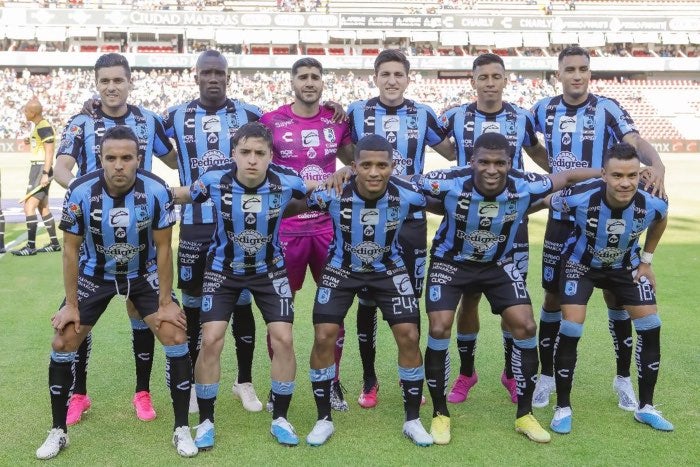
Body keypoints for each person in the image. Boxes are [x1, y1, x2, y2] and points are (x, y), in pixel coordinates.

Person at [417, 132, 600, 444]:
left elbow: (567, 176)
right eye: (484, 162)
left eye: (500, 163)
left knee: (526, 326)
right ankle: (440, 414)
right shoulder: (447, 180)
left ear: (510, 163)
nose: (492, 169)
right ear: (471, 161)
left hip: (498, 264)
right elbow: (403, 180)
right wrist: (350, 171)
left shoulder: (526, 183)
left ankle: (525, 415)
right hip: (452, 262)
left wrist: (606, 174)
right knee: (439, 328)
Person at [35, 126, 196, 460]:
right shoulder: (80, 191)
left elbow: (165, 249)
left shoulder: (156, 190)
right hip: (96, 274)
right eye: (111, 158)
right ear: (101, 159)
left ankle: (181, 429)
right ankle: (58, 431)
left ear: (138, 158)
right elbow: (70, 250)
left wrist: (166, 303)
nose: (119, 165)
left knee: (176, 335)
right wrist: (72, 306)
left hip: (143, 273)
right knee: (63, 339)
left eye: (127, 158)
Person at [530, 45, 666, 410]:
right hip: (561, 220)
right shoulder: (542, 109)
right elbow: (530, 145)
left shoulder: (607, 108)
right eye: (570, 69)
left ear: (590, 72)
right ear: (558, 73)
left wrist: (659, 166)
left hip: (606, 218)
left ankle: (623, 378)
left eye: (583, 69)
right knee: (553, 298)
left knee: (616, 298)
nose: (577, 75)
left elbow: (634, 141)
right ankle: (545, 376)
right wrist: (557, 174)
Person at [53, 53, 177, 426]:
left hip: (142, 237)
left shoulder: (149, 120)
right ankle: (78, 395)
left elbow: (174, 160)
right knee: (77, 321)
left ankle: (143, 391)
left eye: (118, 80)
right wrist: (85, 193)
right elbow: (61, 167)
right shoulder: (81, 121)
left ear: (129, 82)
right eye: (104, 81)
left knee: (141, 312)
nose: (111, 87)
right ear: (96, 83)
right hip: (92, 237)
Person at [171, 122, 310, 450]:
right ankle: (205, 421)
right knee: (211, 340)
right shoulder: (214, 180)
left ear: (270, 156)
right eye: (245, 152)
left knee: (284, 339)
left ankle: (280, 417)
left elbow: (317, 190)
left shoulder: (287, 181)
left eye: (259, 153)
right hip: (223, 271)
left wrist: (342, 175)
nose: (252, 159)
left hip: (270, 271)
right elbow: (182, 193)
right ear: (233, 154)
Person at [304, 134, 432, 446]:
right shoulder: (332, 192)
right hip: (341, 269)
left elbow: (456, 198)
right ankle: (323, 419)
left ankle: (412, 420)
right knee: (323, 336)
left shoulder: (410, 194)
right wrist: (327, 177)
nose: (374, 172)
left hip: (388, 269)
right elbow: (290, 200)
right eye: (367, 165)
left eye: (382, 165)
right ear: (354, 166)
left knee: (410, 336)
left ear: (393, 167)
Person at [537, 143, 672, 434]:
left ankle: (646, 407)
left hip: (625, 267)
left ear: (640, 174)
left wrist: (646, 261)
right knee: (571, 327)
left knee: (651, 324)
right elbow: (546, 201)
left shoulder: (654, 199)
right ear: (604, 175)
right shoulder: (580, 194)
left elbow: (661, 220)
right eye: (617, 175)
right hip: (580, 266)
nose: (625, 183)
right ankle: (563, 407)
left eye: (632, 175)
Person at [346, 49, 454, 408]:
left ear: (408, 78)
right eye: (385, 74)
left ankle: (413, 378)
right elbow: (344, 150)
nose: (392, 80)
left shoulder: (423, 114)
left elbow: (453, 153)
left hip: (410, 221)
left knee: (409, 301)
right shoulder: (356, 112)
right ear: (375, 78)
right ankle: (369, 380)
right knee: (366, 301)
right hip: (366, 220)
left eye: (399, 74)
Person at [439, 53, 549, 404]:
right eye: (482, 76)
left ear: (505, 80)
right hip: (464, 222)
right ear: (473, 81)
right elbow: (435, 148)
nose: (489, 82)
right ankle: (467, 374)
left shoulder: (522, 117)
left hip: (512, 224)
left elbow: (539, 157)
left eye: (495, 76)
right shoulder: (454, 116)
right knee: (467, 298)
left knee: (511, 301)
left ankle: (511, 373)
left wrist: (557, 181)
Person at [162, 49, 264, 414]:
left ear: (228, 76)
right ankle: (190, 382)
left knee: (241, 302)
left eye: (219, 73)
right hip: (194, 226)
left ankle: (244, 381)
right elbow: (148, 142)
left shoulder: (250, 114)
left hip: (240, 226)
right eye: (206, 72)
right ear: (196, 76)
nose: (213, 78)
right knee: (191, 306)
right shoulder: (174, 115)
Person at [260, 57, 354, 412]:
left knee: (333, 312)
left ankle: (331, 382)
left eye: (315, 76)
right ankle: (277, 385)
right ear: (292, 82)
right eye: (303, 77)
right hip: (285, 229)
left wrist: (347, 169)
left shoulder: (336, 120)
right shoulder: (270, 121)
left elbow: (356, 159)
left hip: (328, 228)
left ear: (323, 83)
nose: (310, 82)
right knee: (279, 312)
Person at [12, 98, 61, 256]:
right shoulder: (39, 126)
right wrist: (31, 139)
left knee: (29, 206)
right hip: (38, 168)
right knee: (43, 207)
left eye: (26, 110)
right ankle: (54, 243)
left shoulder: (44, 127)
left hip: (41, 169)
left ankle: (31, 247)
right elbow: (40, 144)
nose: (24, 113)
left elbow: (49, 151)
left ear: (33, 113)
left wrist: (46, 173)